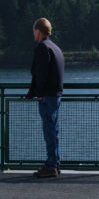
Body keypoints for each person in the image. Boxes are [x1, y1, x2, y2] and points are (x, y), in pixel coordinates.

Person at [26, 17, 64, 178]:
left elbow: (40, 73)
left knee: (48, 130)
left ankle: (50, 165)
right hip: (56, 94)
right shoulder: (56, 48)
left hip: (47, 95)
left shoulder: (42, 47)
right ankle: (55, 162)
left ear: (39, 31)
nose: (33, 34)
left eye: (34, 31)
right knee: (53, 130)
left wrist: (38, 93)